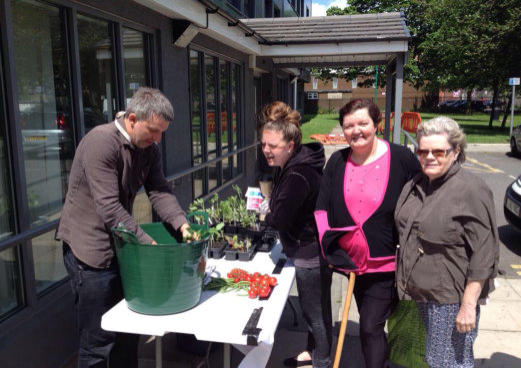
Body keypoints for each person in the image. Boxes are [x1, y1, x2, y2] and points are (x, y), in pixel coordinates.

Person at [57, 87, 192, 368]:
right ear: (132, 119)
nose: (157, 139)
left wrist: (182, 224)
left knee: (128, 331)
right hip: (89, 254)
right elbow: (109, 208)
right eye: (154, 131)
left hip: (123, 249)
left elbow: (159, 190)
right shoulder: (101, 143)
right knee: (97, 342)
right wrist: (147, 242)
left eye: (161, 133)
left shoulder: (148, 149)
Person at [314, 99, 421, 368]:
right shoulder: (337, 161)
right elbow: (321, 210)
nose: (356, 130)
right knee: (369, 323)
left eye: (363, 123)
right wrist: (330, 248)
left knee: (371, 326)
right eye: (349, 125)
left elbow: (424, 197)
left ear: (377, 125)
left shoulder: (401, 158)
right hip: (351, 264)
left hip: (386, 264)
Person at [394, 116, 499, 368]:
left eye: (439, 151)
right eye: (423, 151)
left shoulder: (470, 189)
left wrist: (468, 305)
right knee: (434, 359)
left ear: (456, 152)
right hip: (421, 293)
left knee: (448, 362)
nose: (429, 157)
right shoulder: (418, 183)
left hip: (450, 300)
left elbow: (485, 253)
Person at [260, 101, 332, 368]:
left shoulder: (298, 174)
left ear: (290, 146)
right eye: (264, 144)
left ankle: (322, 362)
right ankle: (313, 355)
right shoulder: (292, 164)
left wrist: (263, 215)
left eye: (273, 146)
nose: (266, 150)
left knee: (315, 314)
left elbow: (279, 219)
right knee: (318, 311)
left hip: (309, 253)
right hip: (308, 248)